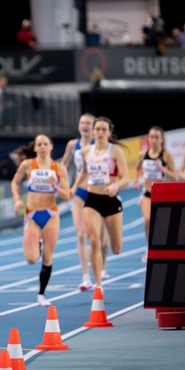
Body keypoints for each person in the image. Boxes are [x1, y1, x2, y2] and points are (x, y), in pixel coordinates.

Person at [11, 134, 70, 306]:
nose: (42, 146)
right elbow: (14, 183)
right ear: (35, 148)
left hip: (50, 214)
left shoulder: (59, 168)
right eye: (39, 144)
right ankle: (38, 242)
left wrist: (56, 187)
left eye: (46, 144)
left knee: (48, 257)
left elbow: (67, 195)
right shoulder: (27, 165)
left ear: (51, 147)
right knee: (31, 259)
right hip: (31, 214)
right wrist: (17, 199)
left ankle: (41, 294)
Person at [71, 117, 129, 289]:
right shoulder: (86, 151)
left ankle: (100, 276)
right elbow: (83, 173)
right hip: (92, 200)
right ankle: (98, 285)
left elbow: (126, 177)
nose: (100, 132)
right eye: (98, 129)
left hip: (111, 200)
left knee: (116, 248)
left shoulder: (115, 151)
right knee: (94, 241)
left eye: (104, 130)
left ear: (109, 132)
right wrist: (73, 188)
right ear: (94, 131)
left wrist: (116, 185)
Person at [61, 113, 110, 291]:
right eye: (82, 122)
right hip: (80, 192)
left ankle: (101, 267)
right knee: (81, 234)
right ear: (78, 126)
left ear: (94, 127)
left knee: (101, 239)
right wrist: (64, 184)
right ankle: (85, 277)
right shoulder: (73, 145)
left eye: (88, 123)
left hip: (98, 191)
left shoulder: (102, 145)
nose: (85, 126)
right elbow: (63, 166)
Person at [135, 127, 177, 262]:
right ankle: (149, 247)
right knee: (148, 220)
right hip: (147, 194)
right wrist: (136, 180)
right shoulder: (143, 153)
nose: (153, 140)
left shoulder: (166, 155)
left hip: (162, 195)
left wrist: (162, 169)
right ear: (148, 138)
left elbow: (175, 177)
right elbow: (137, 168)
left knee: (162, 223)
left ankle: (163, 247)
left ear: (161, 139)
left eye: (156, 137)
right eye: (151, 137)